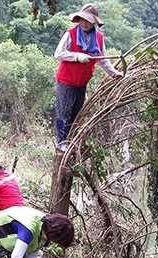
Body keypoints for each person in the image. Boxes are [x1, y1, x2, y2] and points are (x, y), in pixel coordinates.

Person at [54, 3, 123, 152]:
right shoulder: (70, 34)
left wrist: (113, 73)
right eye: (82, 19)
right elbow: (58, 53)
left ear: (94, 22)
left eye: (88, 20)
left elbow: (102, 58)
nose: (84, 23)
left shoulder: (98, 38)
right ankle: (61, 143)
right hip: (66, 81)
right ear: (78, 19)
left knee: (76, 113)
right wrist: (77, 56)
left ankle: (71, 141)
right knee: (63, 112)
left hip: (82, 83)